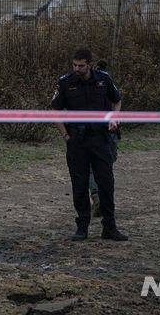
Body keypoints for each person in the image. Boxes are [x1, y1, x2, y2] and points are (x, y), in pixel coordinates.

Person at [51, 49, 127, 241]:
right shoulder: (65, 82)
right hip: (77, 140)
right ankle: (82, 227)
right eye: (75, 65)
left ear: (90, 65)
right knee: (79, 184)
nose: (77, 69)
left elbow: (116, 100)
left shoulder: (103, 79)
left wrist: (113, 118)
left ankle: (109, 228)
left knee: (106, 183)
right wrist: (65, 135)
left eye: (81, 65)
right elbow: (55, 111)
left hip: (100, 139)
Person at [88, 58, 120, 217]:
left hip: (98, 133)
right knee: (107, 166)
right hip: (110, 132)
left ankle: (97, 196)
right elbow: (117, 101)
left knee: (92, 167)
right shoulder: (108, 82)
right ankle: (106, 199)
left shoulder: (88, 84)